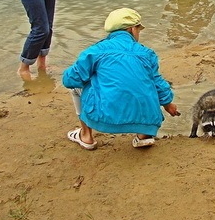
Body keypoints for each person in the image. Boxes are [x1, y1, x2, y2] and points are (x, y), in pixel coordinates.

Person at [62, 8, 180, 150]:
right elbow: (158, 82)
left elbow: (69, 80)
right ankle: (144, 135)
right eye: (138, 30)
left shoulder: (95, 50)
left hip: (103, 115)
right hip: (146, 119)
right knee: (145, 82)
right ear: (131, 29)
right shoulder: (146, 53)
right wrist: (168, 104)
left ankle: (86, 136)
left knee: (79, 84)